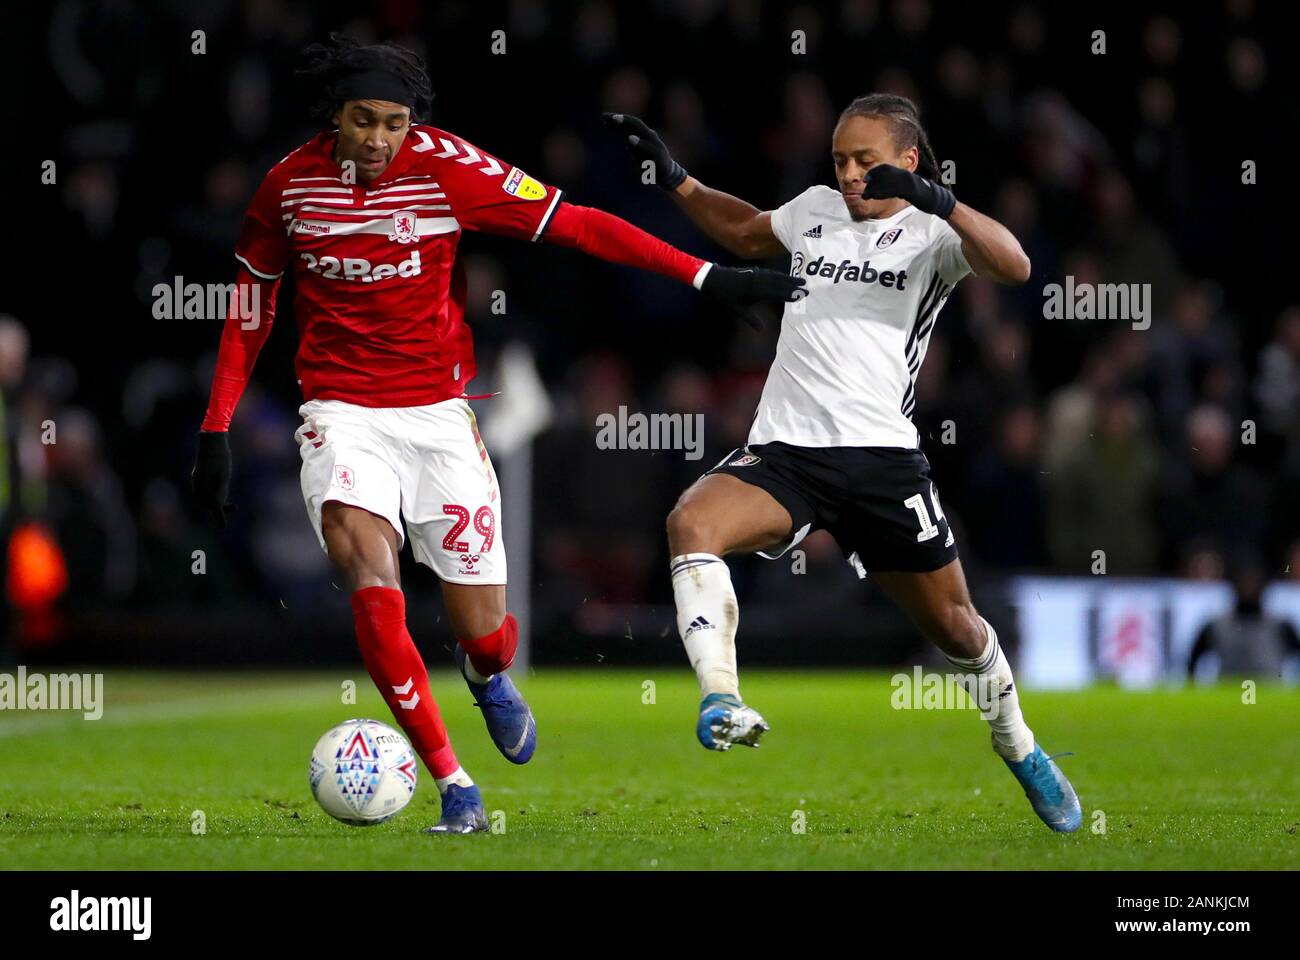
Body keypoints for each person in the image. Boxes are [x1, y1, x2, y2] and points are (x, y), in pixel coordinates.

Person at [191, 35, 803, 834]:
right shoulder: (288, 187)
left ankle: (485, 677)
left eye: (394, 124)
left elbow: (577, 225)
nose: (379, 140)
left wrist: (705, 275)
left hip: (440, 418)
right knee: (369, 574)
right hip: (340, 414)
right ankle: (455, 785)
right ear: (333, 118)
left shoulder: (449, 167)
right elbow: (252, 302)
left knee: (486, 635)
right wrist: (216, 425)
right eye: (363, 121)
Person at [605, 93, 1082, 832]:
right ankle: (722, 698)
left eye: (866, 160)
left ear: (910, 160)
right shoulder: (815, 209)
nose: (851, 174)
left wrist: (940, 202)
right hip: (785, 451)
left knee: (957, 629)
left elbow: (1014, 265)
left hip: (882, 463)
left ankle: (1019, 745)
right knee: (691, 522)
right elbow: (745, 229)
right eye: (840, 160)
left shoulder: (933, 233)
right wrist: (675, 178)